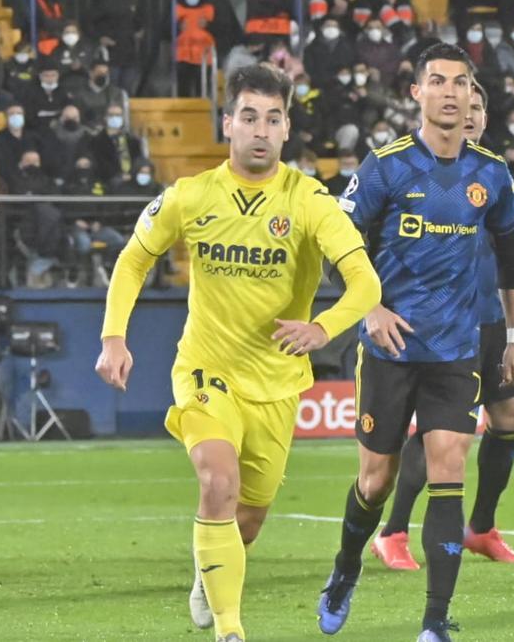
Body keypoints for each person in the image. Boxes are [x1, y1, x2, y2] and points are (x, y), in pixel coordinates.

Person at [94, 64, 380, 641]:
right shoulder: (193, 195)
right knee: (216, 481)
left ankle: (209, 570)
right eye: (249, 117)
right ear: (228, 123)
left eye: (272, 119)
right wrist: (113, 336)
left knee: (246, 518)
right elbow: (132, 259)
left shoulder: (309, 202)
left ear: (285, 128)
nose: (260, 129)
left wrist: (322, 329)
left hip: (276, 382)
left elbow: (366, 284)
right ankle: (231, 629)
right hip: (206, 368)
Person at [317, 43, 514, 642]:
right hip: (389, 351)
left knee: (447, 468)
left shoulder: (492, 173)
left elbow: (512, 262)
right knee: (376, 481)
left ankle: (435, 623)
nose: (451, 92)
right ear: (417, 93)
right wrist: (372, 307)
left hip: (457, 351)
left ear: (470, 95)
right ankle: (345, 569)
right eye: (438, 81)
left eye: (461, 83)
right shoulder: (384, 167)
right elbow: (340, 247)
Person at [371, 81, 514, 571]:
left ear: (485, 118)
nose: (467, 115)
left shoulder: (491, 175)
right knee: (439, 430)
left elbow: (503, 239)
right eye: (461, 107)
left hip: (489, 318)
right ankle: (393, 531)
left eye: (477, 107)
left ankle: (482, 527)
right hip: (446, 321)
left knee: (510, 417)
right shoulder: (422, 170)